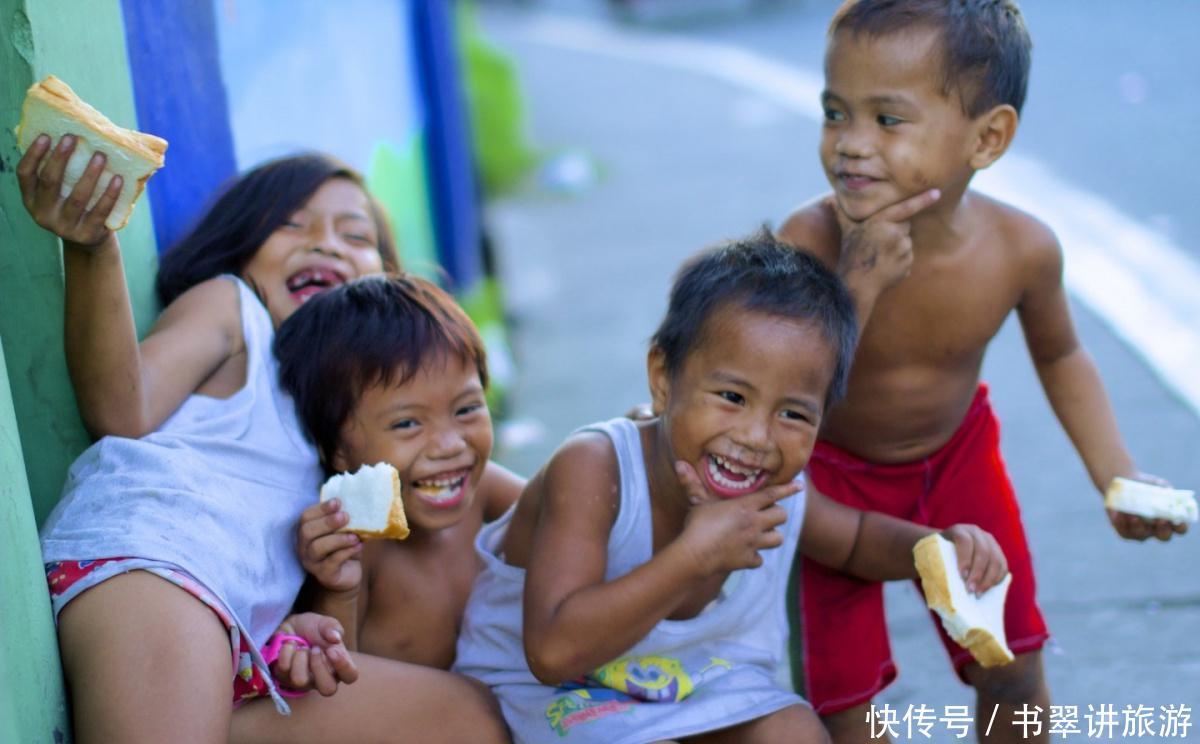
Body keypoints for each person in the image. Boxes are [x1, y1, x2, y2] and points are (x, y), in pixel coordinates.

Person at [776, 2, 1187, 742]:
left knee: (1012, 668)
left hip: (958, 463)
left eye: (887, 119)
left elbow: (1061, 354)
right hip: (829, 479)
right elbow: (786, 388)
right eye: (836, 113)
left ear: (987, 138)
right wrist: (857, 284)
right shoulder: (807, 241)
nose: (851, 144)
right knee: (844, 708)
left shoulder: (1021, 249)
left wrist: (1115, 473)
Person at [18, 140, 507, 743]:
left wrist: (319, 617)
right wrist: (95, 248)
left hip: (249, 645)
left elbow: (510, 491)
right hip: (162, 563)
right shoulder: (236, 310)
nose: (327, 244)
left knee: (471, 718)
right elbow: (124, 408)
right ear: (241, 248)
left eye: (356, 236)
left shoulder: (366, 412)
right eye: (292, 225)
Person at [453, 232, 1008, 744]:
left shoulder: (782, 492)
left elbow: (855, 539)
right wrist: (695, 555)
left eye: (793, 414)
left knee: (795, 731)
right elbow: (552, 652)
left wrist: (931, 549)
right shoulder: (597, 468)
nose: (755, 437)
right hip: (551, 693)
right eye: (732, 398)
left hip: (690, 681)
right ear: (663, 379)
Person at [278, 274, 524, 670]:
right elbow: (340, 684)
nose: (450, 445)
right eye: (407, 423)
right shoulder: (353, 548)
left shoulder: (487, 490)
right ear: (337, 450)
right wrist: (337, 590)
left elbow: (565, 513)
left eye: (466, 410)